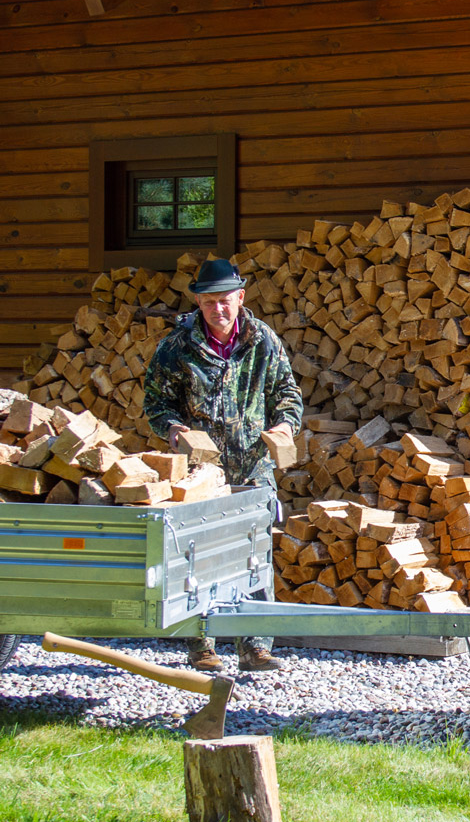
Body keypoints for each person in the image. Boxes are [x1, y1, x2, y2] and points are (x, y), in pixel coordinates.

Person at [144, 257, 303, 672]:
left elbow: (287, 392)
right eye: (210, 301)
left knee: (255, 555)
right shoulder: (177, 346)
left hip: (253, 466)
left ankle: (256, 647)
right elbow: (156, 403)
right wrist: (174, 429)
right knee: (195, 556)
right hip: (200, 473)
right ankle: (201, 645)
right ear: (198, 302)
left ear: (241, 297)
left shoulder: (262, 339)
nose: (218, 308)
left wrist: (285, 424)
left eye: (225, 300)